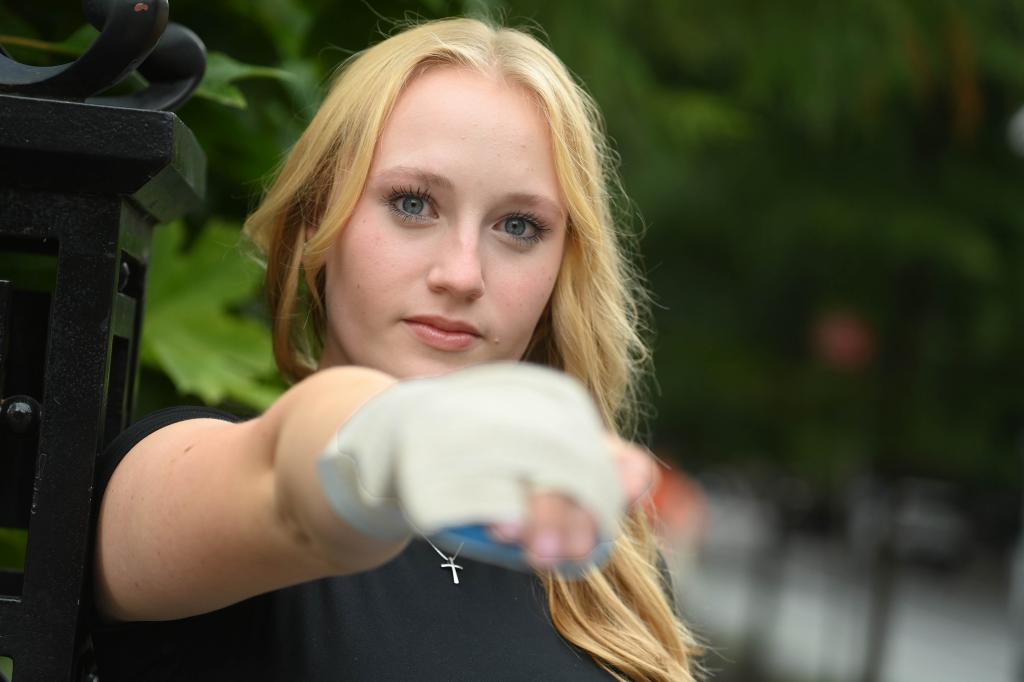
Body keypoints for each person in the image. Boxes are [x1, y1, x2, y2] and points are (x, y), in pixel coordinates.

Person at [88, 16, 698, 681]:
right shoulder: (189, 470)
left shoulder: (611, 568)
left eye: (519, 226)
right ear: (321, 215)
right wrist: (402, 439)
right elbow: (293, 482)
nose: (462, 274)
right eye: (412, 204)